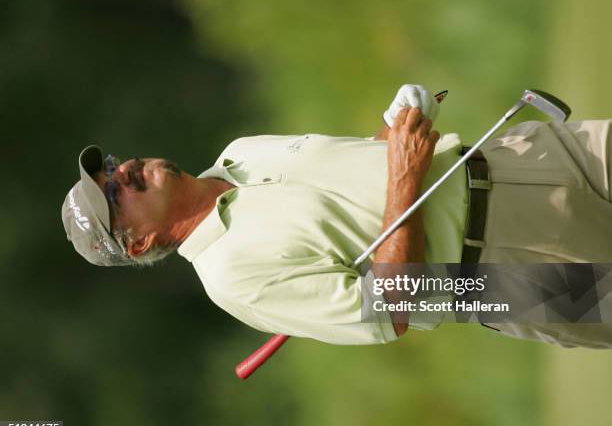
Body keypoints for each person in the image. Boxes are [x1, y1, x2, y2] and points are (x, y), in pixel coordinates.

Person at [61, 84, 612, 349]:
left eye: (110, 168)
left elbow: (365, 164)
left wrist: (393, 126)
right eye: (113, 195)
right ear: (137, 243)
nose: (123, 172)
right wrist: (403, 175)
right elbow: (389, 310)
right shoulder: (232, 280)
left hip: (524, 156)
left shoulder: (242, 150)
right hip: (506, 276)